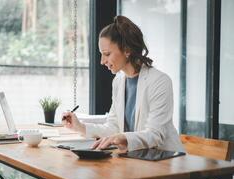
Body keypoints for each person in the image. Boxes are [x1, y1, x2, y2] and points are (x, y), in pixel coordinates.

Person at [62, 15, 184, 153]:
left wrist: (123, 137)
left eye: (107, 54)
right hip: (137, 161)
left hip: (166, 161)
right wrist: (80, 127)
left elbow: (155, 134)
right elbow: (113, 127)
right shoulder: (119, 81)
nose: (102, 61)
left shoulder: (160, 81)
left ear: (127, 50)